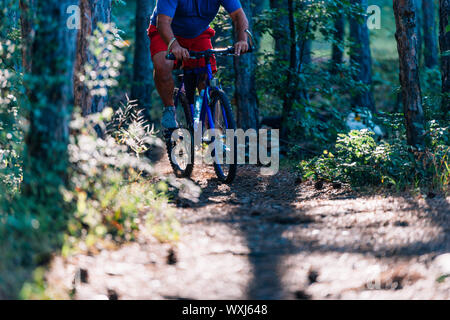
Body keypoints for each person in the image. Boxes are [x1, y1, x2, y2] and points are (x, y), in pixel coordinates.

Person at [148, 0, 250, 131]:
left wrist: (242, 40)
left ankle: (214, 129)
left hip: (198, 33)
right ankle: (169, 109)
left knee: (207, 78)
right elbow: (163, 23)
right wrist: (174, 45)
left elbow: (238, 15)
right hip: (165, 31)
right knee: (163, 65)